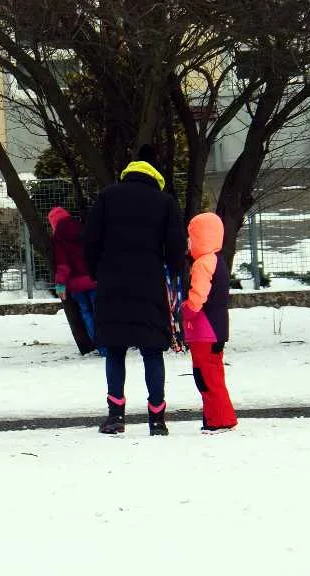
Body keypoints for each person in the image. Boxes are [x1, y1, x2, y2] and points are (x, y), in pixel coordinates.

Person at [84, 145, 186, 435]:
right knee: (153, 351)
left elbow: (90, 240)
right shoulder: (165, 202)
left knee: (115, 350)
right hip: (149, 284)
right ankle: (157, 419)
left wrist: (98, 272)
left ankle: (115, 416)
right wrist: (172, 270)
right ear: (155, 174)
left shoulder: (107, 197)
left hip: (112, 284)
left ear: (129, 171)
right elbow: (176, 248)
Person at [182, 213, 238, 433]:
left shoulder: (202, 264)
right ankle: (215, 417)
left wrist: (184, 310)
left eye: (190, 235)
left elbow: (197, 299)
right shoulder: (217, 260)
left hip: (205, 330)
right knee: (212, 375)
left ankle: (221, 419)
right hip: (216, 328)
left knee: (207, 377)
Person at [48, 206, 104, 357]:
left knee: (86, 312)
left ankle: (100, 345)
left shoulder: (58, 237)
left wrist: (60, 284)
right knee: (99, 312)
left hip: (76, 284)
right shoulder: (82, 228)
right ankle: (108, 344)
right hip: (94, 279)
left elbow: (63, 264)